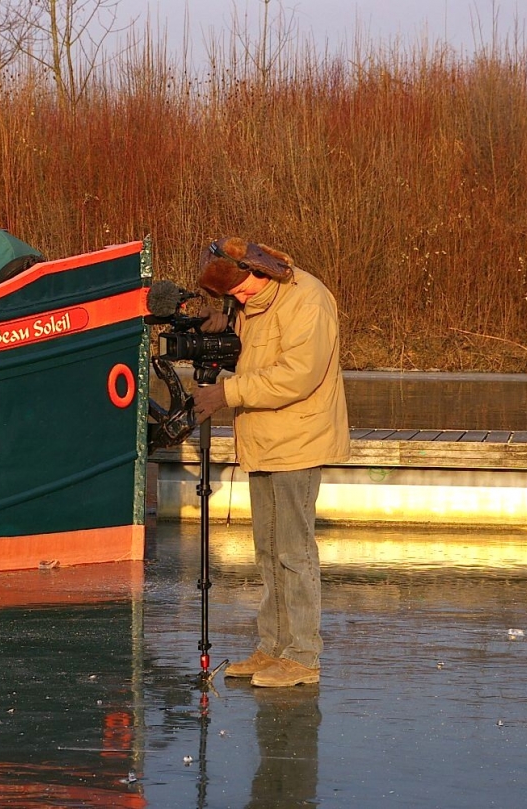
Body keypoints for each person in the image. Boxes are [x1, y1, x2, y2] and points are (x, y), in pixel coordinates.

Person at [190, 236, 350, 688]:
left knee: (294, 551)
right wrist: (220, 323)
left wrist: (226, 393)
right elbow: (251, 349)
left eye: (239, 292)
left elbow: (297, 374)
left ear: (261, 273)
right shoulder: (254, 304)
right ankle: (274, 647)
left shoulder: (308, 299)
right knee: (268, 550)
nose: (238, 299)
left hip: (298, 438)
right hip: (263, 439)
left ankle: (302, 656)